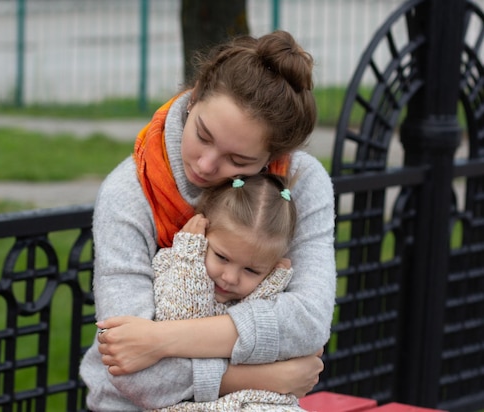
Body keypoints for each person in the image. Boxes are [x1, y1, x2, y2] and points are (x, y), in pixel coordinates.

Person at [80, 29, 336, 411]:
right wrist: (266, 376)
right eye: (202, 135)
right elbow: (132, 371)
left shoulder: (303, 183)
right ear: (195, 96)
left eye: (239, 161)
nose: (206, 165)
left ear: (271, 157)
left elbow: (308, 322)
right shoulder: (129, 195)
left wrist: (160, 341)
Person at [151, 174, 307, 411]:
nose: (230, 278)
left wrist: (270, 286)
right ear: (202, 234)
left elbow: (260, 351)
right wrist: (189, 256)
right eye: (222, 257)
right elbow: (180, 323)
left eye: (251, 270)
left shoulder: (264, 291)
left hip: (246, 401)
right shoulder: (175, 264)